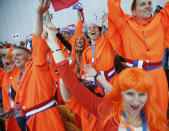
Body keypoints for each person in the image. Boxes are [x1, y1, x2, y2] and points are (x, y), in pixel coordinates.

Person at [43, 24, 168, 130]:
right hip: (96, 86)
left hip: (110, 80)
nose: (136, 100)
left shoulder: (154, 120)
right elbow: (74, 85)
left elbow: (116, 28)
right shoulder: (105, 108)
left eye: (141, 94)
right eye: (130, 94)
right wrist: (54, 46)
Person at [0, 0, 65, 131]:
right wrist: (14, 111)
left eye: (18, 54)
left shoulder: (37, 66)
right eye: (13, 56)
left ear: (30, 56)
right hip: (28, 121)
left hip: (46, 119)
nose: (14, 58)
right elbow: (24, 101)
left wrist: (38, 14)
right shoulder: (18, 76)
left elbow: (37, 39)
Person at [107, 0, 169, 114]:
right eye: (143, 4)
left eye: (150, 3)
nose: (148, 6)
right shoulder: (125, 24)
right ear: (134, 12)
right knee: (136, 115)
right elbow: (113, 6)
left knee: (159, 112)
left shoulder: (161, 20)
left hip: (157, 76)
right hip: (135, 77)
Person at [0, 55, 20, 131]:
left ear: (15, 62)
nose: (4, 66)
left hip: (20, 114)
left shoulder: (21, 74)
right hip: (8, 115)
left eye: (7, 63)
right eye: (2, 64)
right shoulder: (5, 75)